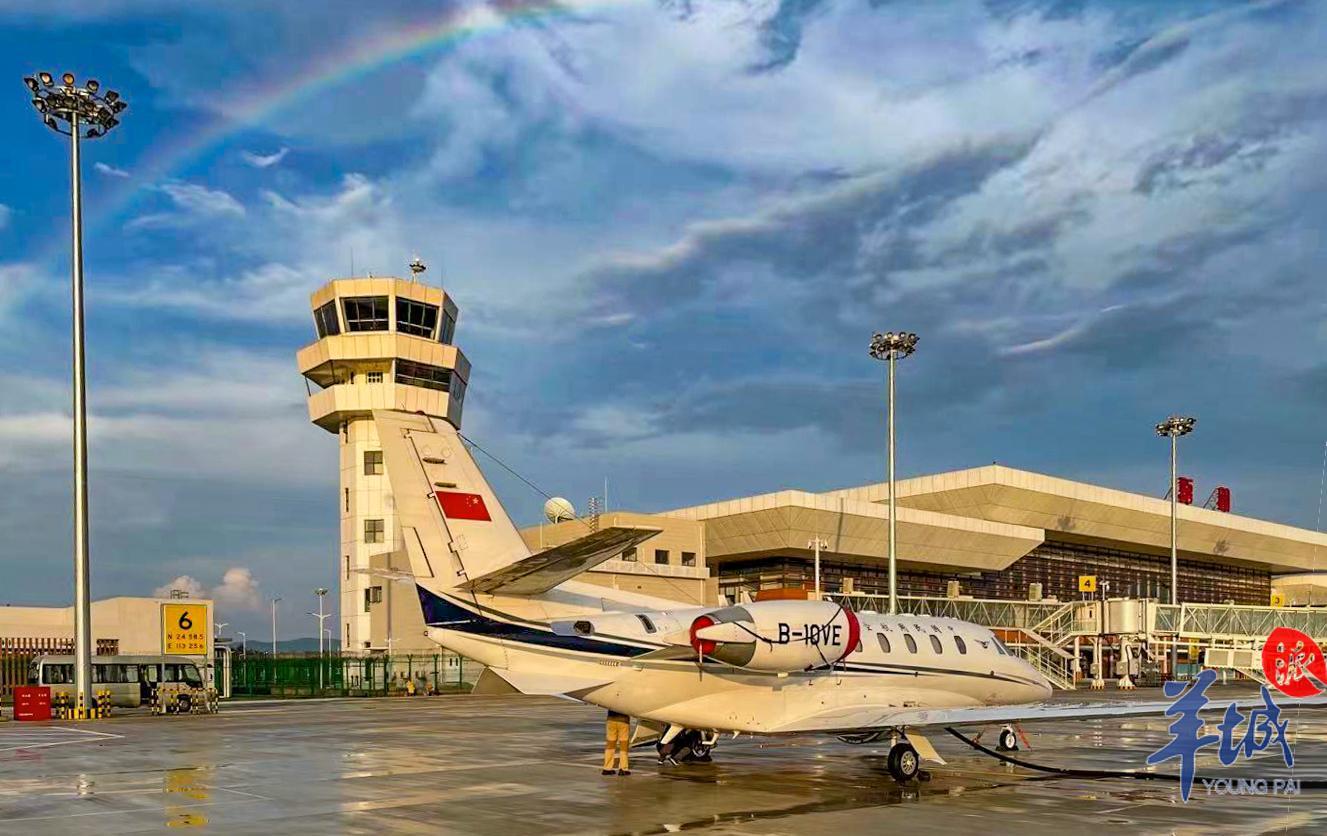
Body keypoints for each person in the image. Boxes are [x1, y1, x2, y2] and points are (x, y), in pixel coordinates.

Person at [602, 710, 631, 776]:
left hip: (611, 719)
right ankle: (623, 769)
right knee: (623, 745)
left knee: (610, 744)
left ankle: (607, 768)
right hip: (623, 720)